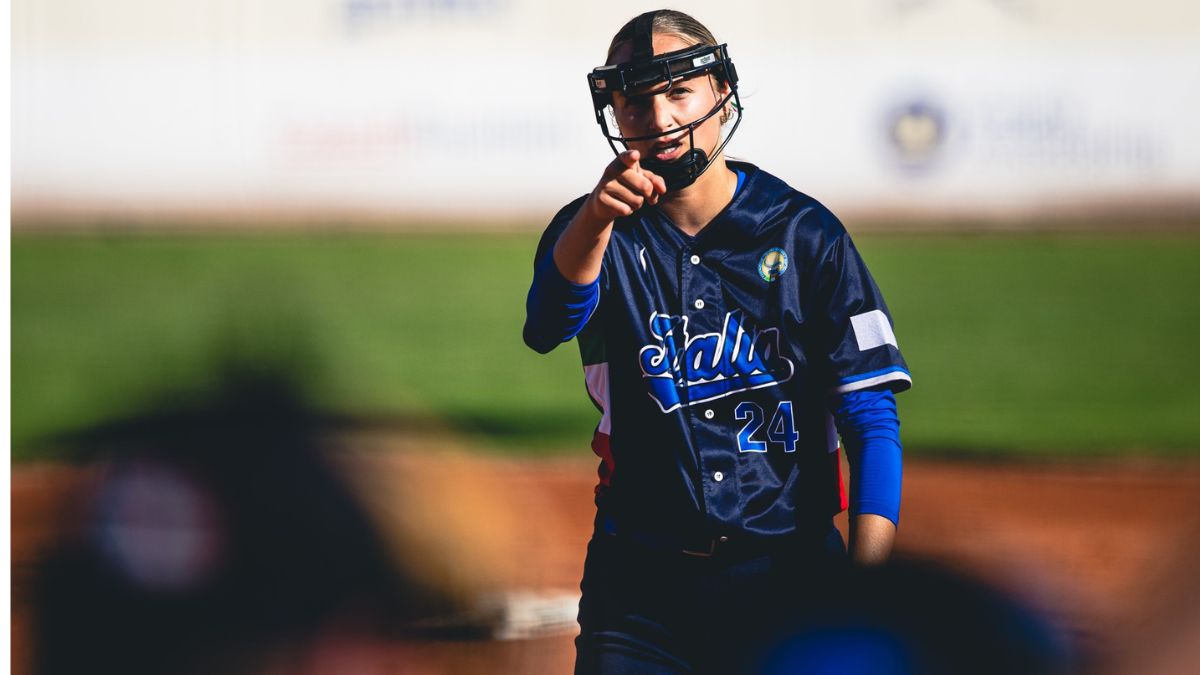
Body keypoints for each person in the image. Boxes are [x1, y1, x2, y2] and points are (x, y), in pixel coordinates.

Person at [523, 9, 912, 673]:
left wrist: (864, 586)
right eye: (636, 98)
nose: (660, 116)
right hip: (638, 587)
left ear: (722, 93)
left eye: (679, 91)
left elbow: (870, 418)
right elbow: (547, 324)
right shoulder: (588, 233)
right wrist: (595, 218)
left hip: (790, 576)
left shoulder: (806, 234)